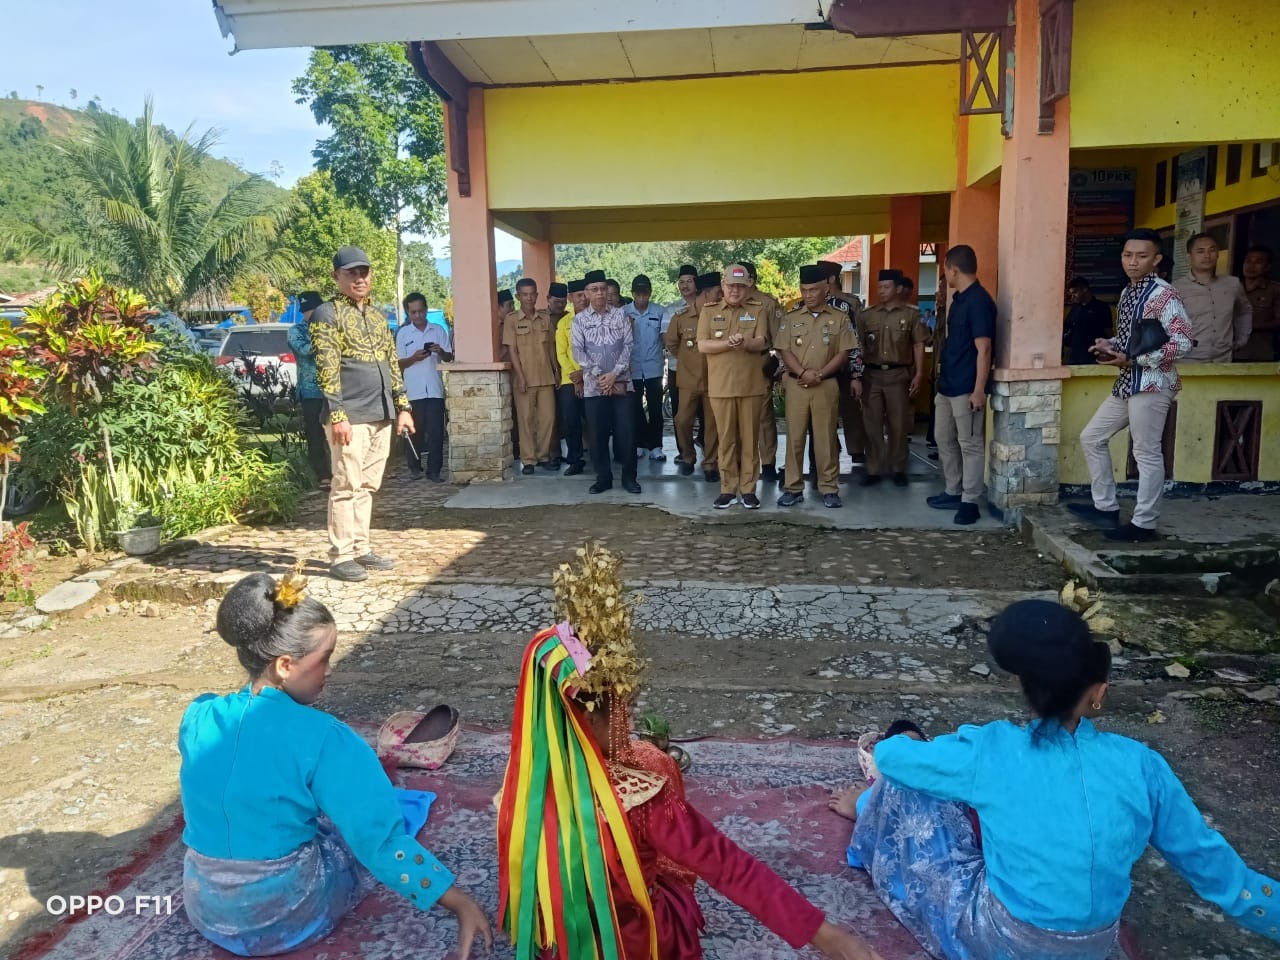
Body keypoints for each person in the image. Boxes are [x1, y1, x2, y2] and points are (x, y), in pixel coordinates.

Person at [496, 543, 883, 960]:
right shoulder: (643, 800)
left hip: (558, 943)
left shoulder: (518, 793)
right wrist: (829, 936)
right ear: (593, 716)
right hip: (639, 944)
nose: (627, 719)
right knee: (656, 766)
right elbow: (728, 866)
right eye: (625, 706)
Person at [843, 598, 1280, 959]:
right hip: (1094, 948)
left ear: (1022, 682)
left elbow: (891, 756)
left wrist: (907, 742)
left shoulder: (990, 749)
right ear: (1099, 692)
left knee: (906, 777)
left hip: (1000, 941)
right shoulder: (1142, 765)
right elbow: (1217, 870)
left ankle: (865, 810)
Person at [180, 571, 492, 958]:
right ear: (284, 665)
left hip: (206, 906)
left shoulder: (198, 716)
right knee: (352, 834)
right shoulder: (325, 737)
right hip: (284, 916)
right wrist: (460, 903)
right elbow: (379, 843)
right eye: (324, 659)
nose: (331, 670)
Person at [1070, 228, 1193, 542]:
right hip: (1129, 381)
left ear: (1156, 259)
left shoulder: (1165, 294)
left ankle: (1144, 524)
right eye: (1128, 255)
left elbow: (1182, 342)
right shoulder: (1129, 292)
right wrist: (1109, 344)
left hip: (1152, 382)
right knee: (1092, 437)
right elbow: (1131, 341)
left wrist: (1135, 360)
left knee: (1147, 453)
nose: (1133, 261)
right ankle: (1106, 507)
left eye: (1141, 256)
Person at [312, 246, 414, 582]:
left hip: (381, 412)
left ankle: (360, 547)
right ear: (336, 276)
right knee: (345, 484)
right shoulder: (328, 314)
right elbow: (327, 366)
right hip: (351, 415)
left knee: (366, 486)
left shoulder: (377, 316)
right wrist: (337, 413)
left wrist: (403, 408)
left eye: (364, 272)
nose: (359, 278)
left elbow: (391, 365)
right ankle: (341, 554)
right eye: (351, 272)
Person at [777, 264, 858, 509]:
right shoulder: (790, 318)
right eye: (804, 290)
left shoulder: (840, 318)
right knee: (794, 438)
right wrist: (802, 372)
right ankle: (793, 487)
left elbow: (844, 352)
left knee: (826, 439)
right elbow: (784, 349)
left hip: (825, 385)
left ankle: (829, 488)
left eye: (813, 289)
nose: (808, 295)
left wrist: (819, 374)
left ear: (826, 288)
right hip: (797, 384)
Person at [925, 244, 994, 527]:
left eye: (945, 271)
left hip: (967, 386)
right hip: (948, 384)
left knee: (970, 444)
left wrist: (979, 389)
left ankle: (970, 501)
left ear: (953, 269)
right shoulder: (959, 300)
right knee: (943, 438)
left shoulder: (979, 301)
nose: (945, 277)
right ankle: (953, 490)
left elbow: (985, 348)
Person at [698, 264, 771, 509]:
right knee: (726, 439)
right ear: (723, 286)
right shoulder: (708, 312)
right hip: (721, 387)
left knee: (750, 440)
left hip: (751, 386)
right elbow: (703, 345)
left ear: (748, 287)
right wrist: (728, 345)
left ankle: (749, 489)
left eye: (740, 286)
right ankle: (728, 488)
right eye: (731, 286)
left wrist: (745, 342)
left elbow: (762, 342)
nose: (735, 291)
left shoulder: (758, 310)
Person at [572, 270, 641, 495]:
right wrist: (599, 374)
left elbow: (629, 345)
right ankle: (603, 478)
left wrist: (614, 374)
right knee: (597, 434)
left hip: (622, 385)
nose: (600, 293)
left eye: (603, 289)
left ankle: (630, 478)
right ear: (586, 294)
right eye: (594, 289)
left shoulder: (620, 315)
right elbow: (578, 350)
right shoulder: (579, 320)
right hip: (595, 387)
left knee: (627, 432)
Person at [859, 269, 930, 488]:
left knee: (898, 425)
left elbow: (919, 344)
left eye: (886, 287)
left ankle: (899, 468)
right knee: (872, 424)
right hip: (872, 374)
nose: (882, 291)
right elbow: (859, 345)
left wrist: (919, 374)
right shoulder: (867, 315)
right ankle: (873, 469)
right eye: (879, 287)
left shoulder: (911, 315)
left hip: (899, 375)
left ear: (898, 289)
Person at [664, 272, 721, 482]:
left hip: (713, 380)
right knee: (682, 420)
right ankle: (688, 456)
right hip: (688, 380)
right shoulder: (681, 318)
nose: (721, 296)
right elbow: (671, 343)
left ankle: (710, 463)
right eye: (717, 292)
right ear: (705, 294)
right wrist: (687, 360)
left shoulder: (719, 316)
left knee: (712, 424)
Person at [395, 292, 453, 483]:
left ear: (426, 309)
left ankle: (434, 471)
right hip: (414, 390)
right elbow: (397, 364)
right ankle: (414, 467)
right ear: (408, 313)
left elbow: (449, 357)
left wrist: (440, 351)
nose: (418, 316)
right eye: (414, 312)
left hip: (434, 389)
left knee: (436, 432)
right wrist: (414, 358)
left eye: (421, 311)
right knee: (415, 432)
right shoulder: (403, 333)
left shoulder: (437, 330)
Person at [505, 278, 560, 474]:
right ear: (518, 296)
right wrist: (519, 376)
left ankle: (543, 455)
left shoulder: (545, 318)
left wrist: (556, 370)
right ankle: (529, 460)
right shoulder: (512, 320)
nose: (529, 298)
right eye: (525, 294)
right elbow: (512, 351)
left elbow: (551, 347)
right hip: (524, 378)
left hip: (546, 377)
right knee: (526, 419)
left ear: (537, 295)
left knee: (548, 418)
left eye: (532, 294)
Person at [1174, 232, 1251, 363]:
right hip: (1188, 360)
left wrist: (1241, 339)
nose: (1207, 256)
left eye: (1212, 250)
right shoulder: (1175, 288)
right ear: (1189, 256)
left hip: (1223, 358)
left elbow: (1244, 311)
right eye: (1200, 251)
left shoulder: (1233, 284)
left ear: (1218, 254)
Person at [742, 261, 785, 483]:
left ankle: (768, 463)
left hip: (759, 364)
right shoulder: (728, 303)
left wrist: (779, 367)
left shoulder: (767, 303)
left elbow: (780, 339)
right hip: (734, 367)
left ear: (751, 279)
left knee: (763, 417)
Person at [822, 260, 867, 470]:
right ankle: (833, 448)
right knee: (826, 411)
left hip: (846, 365)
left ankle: (856, 449)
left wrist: (857, 370)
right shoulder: (812, 303)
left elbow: (857, 336)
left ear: (831, 279)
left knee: (850, 408)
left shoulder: (850, 303)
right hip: (824, 368)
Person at [288, 291, 332, 489]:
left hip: (333, 389)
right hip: (310, 392)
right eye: (309, 311)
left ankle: (340, 471)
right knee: (315, 435)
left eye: (316, 310)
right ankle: (323, 474)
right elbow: (305, 350)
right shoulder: (295, 331)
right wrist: (322, 335)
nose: (313, 314)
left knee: (338, 432)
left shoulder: (330, 328)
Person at [625, 274, 667, 462]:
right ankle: (641, 443)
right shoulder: (623, 312)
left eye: (645, 293)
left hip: (653, 366)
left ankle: (656, 446)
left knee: (655, 406)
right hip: (632, 366)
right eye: (638, 294)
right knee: (634, 407)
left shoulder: (659, 311)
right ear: (633, 294)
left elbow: (664, 338)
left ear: (650, 293)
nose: (642, 297)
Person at [553, 280, 586, 475]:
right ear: (570, 298)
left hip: (590, 376)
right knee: (570, 420)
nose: (583, 298)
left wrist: (583, 374)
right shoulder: (564, 323)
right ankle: (575, 459)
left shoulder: (595, 320)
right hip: (569, 379)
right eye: (578, 295)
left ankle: (599, 457)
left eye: (585, 294)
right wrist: (575, 376)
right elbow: (561, 352)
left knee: (595, 420)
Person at [665, 264, 699, 423]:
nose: (685, 285)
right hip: (677, 368)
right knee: (681, 415)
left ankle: (705, 444)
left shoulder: (707, 306)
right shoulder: (670, 310)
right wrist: (688, 359)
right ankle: (684, 448)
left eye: (689, 281)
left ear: (696, 282)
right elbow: (666, 339)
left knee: (707, 413)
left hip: (704, 369)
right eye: (681, 282)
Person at [1237, 244, 1280, 362]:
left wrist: (1252, 326)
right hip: (1231, 353)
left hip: (1261, 354)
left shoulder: (1275, 290)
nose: (1251, 266)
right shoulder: (1232, 288)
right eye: (1248, 261)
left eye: (1258, 262)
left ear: (1267, 267)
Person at [1062, 276, 1114, 365]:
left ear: (1085, 289)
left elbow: (1108, 332)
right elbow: (1065, 329)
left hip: (1095, 356)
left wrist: (1110, 352)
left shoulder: (1101, 307)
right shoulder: (1075, 308)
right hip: (1075, 357)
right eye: (1071, 294)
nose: (1072, 296)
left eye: (1075, 292)